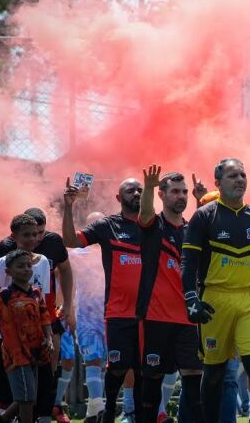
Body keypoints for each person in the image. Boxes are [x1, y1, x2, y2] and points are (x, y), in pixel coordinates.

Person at [181, 158, 250, 423]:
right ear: (218, 183)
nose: (239, 180)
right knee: (214, 372)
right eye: (233, 175)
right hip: (215, 300)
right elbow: (188, 262)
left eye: (243, 175)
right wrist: (191, 298)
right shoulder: (204, 216)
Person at [62, 177, 145, 423]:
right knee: (95, 361)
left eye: (141, 189)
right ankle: (97, 409)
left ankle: (131, 410)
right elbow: (66, 256)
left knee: (132, 364)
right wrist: (68, 307)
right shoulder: (81, 252)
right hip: (94, 313)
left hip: (135, 310)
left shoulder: (149, 227)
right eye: (131, 190)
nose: (137, 193)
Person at [0, 208, 75, 423]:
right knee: (14, 387)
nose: (33, 238)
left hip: (36, 337)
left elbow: (43, 305)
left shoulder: (45, 262)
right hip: (10, 338)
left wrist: (48, 335)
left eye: (36, 234)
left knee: (37, 384)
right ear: (15, 236)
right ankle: (3, 416)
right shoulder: (4, 266)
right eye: (27, 234)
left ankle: (41, 416)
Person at [135, 165, 203, 423]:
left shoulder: (191, 230)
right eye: (175, 191)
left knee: (194, 385)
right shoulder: (154, 225)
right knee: (150, 386)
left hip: (188, 319)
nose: (181, 196)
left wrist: (200, 202)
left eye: (184, 192)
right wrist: (149, 188)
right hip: (155, 316)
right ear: (162, 195)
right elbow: (145, 213)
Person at [0, 249, 54, 423]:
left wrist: (49, 339)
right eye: (20, 266)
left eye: (28, 265)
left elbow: (45, 318)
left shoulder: (36, 293)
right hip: (16, 354)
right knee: (26, 399)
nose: (26, 269)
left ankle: (1, 420)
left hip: (37, 352)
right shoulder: (4, 295)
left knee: (29, 395)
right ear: (8, 272)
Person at [68, 212, 107, 422]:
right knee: (92, 361)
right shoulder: (76, 254)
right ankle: (98, 406)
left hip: (112, 314)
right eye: (93, 224)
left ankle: (94, 411)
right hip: (86, 315)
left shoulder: (113, 249)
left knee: (110, 365)